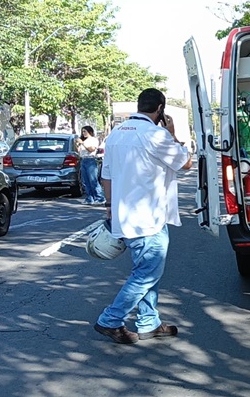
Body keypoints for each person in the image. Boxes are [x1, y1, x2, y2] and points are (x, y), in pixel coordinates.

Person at [94, 88, 192, 344]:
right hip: (150, 218)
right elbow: (186, 163)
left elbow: (107, 176)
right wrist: (172, 136)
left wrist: (109, 206)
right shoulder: (157, 135)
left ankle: (149, 322)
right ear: (160, 109)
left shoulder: (115, 134)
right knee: (147, 273)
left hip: (124, 216)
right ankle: (110, 319)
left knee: (146, 270)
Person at [75, 126, 105, 205]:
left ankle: (100, 198)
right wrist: (77, 144)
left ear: (90, 132)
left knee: (93, 180)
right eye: (82, 132)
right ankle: (89, 198)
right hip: (83, 160)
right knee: (85, 181)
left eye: (85, 131)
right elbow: (79, 151)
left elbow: (91, 149)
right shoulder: (84, 140)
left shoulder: (93, 140)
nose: (83, 133)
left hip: (90, 160)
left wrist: (82, 143)